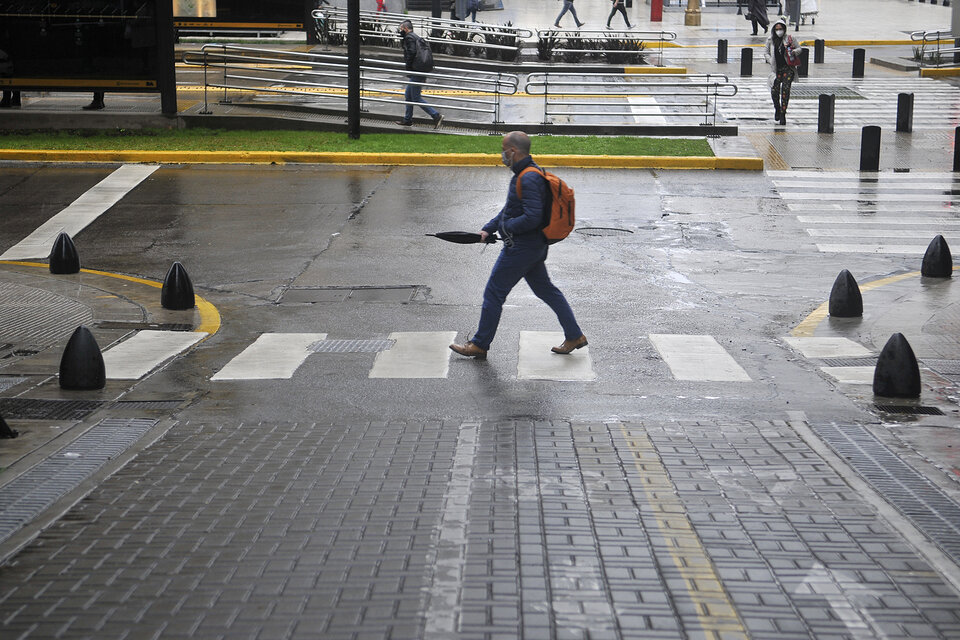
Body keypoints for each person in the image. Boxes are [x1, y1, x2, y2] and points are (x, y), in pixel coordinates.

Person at [450, 131, 588, 360]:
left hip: (522, 248)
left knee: (494, 292)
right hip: (533, 247)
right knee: (547, 290)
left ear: (513, 151)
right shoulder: (525, 174)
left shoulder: (528, 177)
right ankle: (574, 335)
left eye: (503, 150)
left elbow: (532, 216)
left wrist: (507, 228)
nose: (502, 155)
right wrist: (489, 228)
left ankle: (479, 344)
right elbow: (509, 210)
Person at [396, 20, 443, 129]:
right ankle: (407, 120)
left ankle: (436, 116)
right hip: (419, 70)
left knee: (416, 97)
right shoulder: (415, 37)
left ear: (406, 29)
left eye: (401, 29)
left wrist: (408, 67)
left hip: (416, 70)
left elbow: (411, 52)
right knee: (408, 95)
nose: (400, 31)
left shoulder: (409, 38)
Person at [764, 17, 796, 126]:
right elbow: (766, 52)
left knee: (785, 91)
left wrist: (792, 51)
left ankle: (783, 113)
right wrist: (770, 60)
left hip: (788, 68)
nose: (779, 31)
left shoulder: (789, 39)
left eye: (781, 28)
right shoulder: (770, 40)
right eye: (777, 29)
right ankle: (777, 108)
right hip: (776, 69)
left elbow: (799, 49)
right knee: (774, 91)